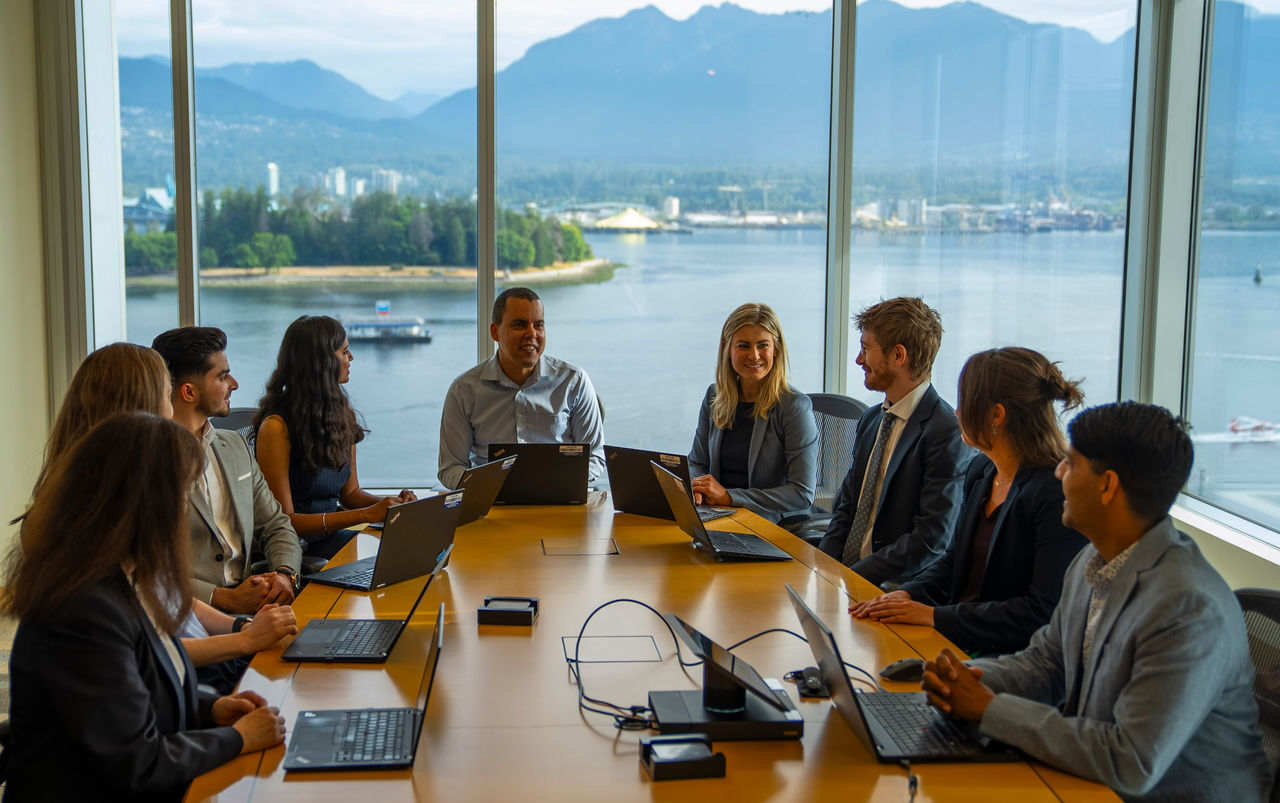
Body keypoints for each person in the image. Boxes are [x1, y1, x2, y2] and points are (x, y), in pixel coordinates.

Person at [922, 402, 1270, 802]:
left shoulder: (1188, 607)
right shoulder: (1093, 558)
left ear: (1107, 486)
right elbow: (1047, 663)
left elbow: (1131, 760)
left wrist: (988, 710)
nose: (1058, 473)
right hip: (1091, 783)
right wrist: (964, 680)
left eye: (1070, 463)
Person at [2, 412, 287, 801]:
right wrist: (237, 739)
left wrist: (211, 708)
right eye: (182, 495)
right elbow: (137, 762)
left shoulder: (126, 578)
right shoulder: (83, 609)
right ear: (146, 504)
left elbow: (138, 687)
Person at [21, 341, 297, 694]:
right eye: (166, 396)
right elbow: (139, 653)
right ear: (141, 410)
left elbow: (165, 593)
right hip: (166, 683)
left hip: (191, 660)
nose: (172, 409)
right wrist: (242, 637)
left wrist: (243, 627)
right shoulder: (104, 513)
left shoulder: (113, 491)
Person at [851, 347, 1088, 655]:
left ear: (996, 415)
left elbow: (1040, 613)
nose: (956, 412)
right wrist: (909, 595)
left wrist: (935, 617)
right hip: (955, 640)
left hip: (1009, 661)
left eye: (965, 402)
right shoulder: (982, 469)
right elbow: (952, 563)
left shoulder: (1054, 493)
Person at [816, 297, 972, 587]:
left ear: (898, 356)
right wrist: (822, 569)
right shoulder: (872, 419)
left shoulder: (945, 432)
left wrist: (852, 578)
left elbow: (931, 539)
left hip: (892, 587)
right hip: (843, 579)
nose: (859, 360)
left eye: (866, 349)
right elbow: (846, 507)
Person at [152, 326, 302, 614]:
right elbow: (149, 569)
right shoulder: (150, 460)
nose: (234, 384)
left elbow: (276, 524)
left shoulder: (235, 444)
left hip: (255, 602)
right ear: (189, 391)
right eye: (222, 376)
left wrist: (285, 575)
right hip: (187, 613)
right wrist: (221, 598)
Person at [254, 315, 416, 560]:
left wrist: (392, 505)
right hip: (295, 550)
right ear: (321, 361)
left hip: (332, 539)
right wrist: (367, 515)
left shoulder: (340, 413)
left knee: (408, 551)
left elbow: (350, 495)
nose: (351, 358)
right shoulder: (276, 428)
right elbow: (285, 520)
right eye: (344, 351)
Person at [438, 286, 604, 489]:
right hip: (490, 504)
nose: (531, 334)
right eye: (519, 325)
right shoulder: (464, 390)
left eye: (539, 325)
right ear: (495, 332)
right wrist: (487, 488)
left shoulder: (574, 381)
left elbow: (595, 456)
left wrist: (558, 483)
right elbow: (451, 467)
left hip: (560, 502)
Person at [686, 302, 818, 523]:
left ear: (776, 349)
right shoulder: (714, 396)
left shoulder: (794, 407)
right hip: (718, 516)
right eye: (744, 346)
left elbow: (802, 493)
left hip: (771, 524)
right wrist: (698, 489)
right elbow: (696, 463)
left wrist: (730, 497)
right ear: (728, 349)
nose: (754, 355)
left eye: (763, 345)